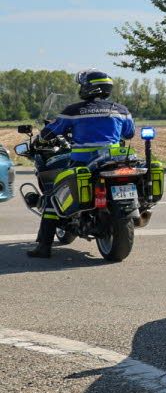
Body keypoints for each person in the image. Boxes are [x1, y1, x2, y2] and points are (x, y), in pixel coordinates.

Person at [26, 70, 134, 258]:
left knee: (53, 197)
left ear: (88, 88)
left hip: (82, 162)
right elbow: (129, 133)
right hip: (114, 161)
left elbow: (50, 131)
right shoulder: (121, 110)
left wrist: (39, 139)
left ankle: (44, 247)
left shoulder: (74, 111)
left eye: (82, 85)